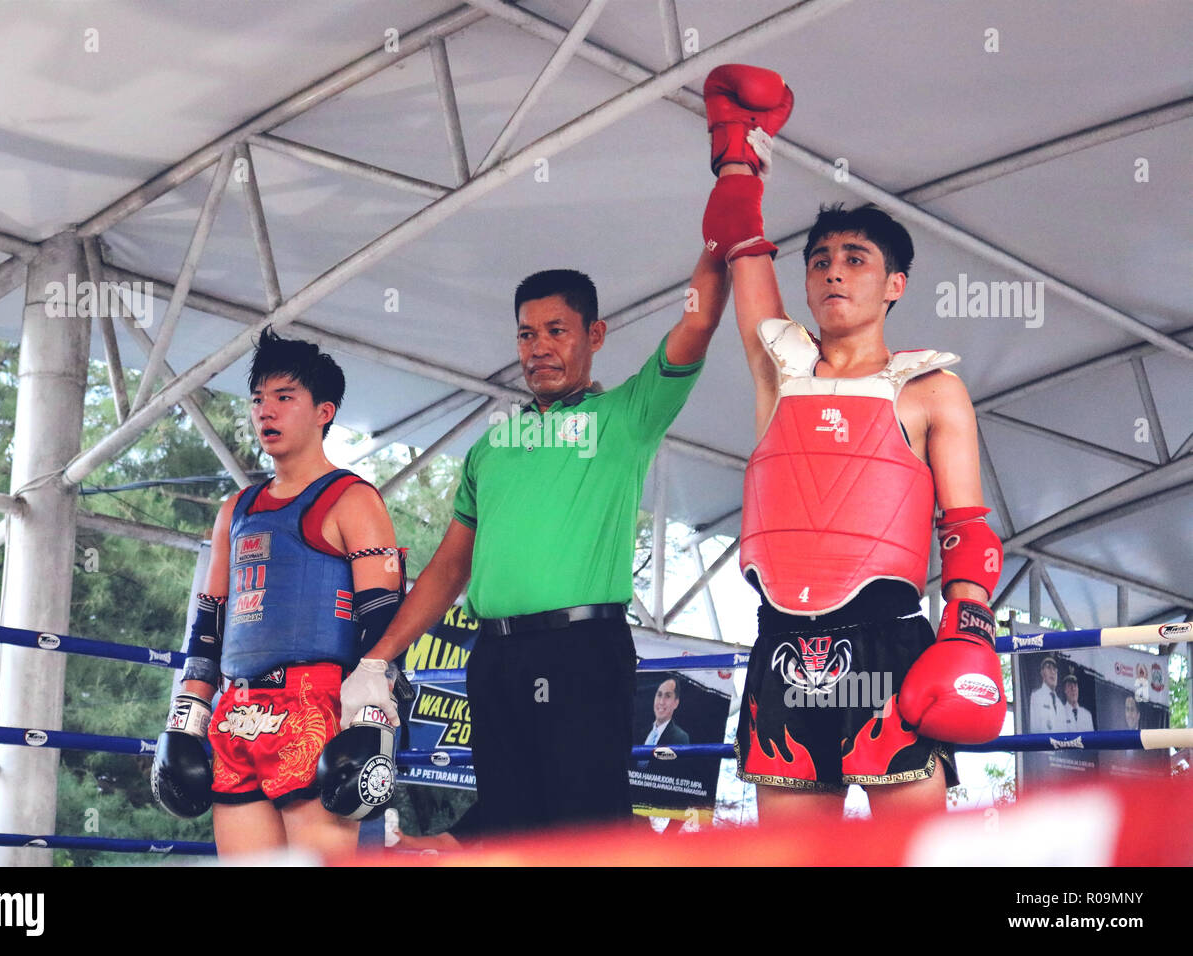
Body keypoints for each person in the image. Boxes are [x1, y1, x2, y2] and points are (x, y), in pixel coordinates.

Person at [341, 182, 747, 833]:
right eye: (526, 334)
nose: (538, 347)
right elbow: (448, 570)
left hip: (584, 651)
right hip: (495, 659)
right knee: (506, 825)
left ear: (595, 334)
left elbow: (697, 322)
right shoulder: (491, 448)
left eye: (556, 331)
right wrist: (375, 658)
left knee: (584, 829)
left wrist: (721, 235)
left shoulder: (626, 416)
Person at [714, 65, 1005, 819]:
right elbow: (742, 247)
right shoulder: (780, 368)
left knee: (914, 860)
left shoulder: (931, 389)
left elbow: (968, 533)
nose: (833, 272)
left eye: (855, 260)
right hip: (779, 643)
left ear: (894, 284)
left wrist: (966, 635)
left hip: (888, 647)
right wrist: (736, 154)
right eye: (820, 261)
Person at [151, 329, 404, 858]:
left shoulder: (352, 500)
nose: (266, 411)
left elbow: (384, 624)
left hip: (317, 707)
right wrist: (186, 716)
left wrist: (371, 724)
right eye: (258, 400)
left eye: (284, 397)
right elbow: (209, 623)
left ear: (323, 411)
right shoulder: (234, 511)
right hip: (236, 708)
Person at [1028, 657, 1062, 734]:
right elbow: (1034, 730)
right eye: (1049, 668)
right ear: (1042, 673)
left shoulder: (1060, 704)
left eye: (1055, 669)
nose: (1052, 672)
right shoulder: (1036, 697)